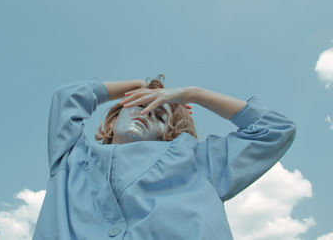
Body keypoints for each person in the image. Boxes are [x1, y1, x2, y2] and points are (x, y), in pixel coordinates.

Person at [32, 75, 296, 240]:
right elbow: (67, 97)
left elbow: (275, 130)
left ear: (166, 132)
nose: (146, 114)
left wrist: (194, 93)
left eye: (159, 115)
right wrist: (142, 85)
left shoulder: (197, 159)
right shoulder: (72, 157)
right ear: (112, 121)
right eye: (138, 106)